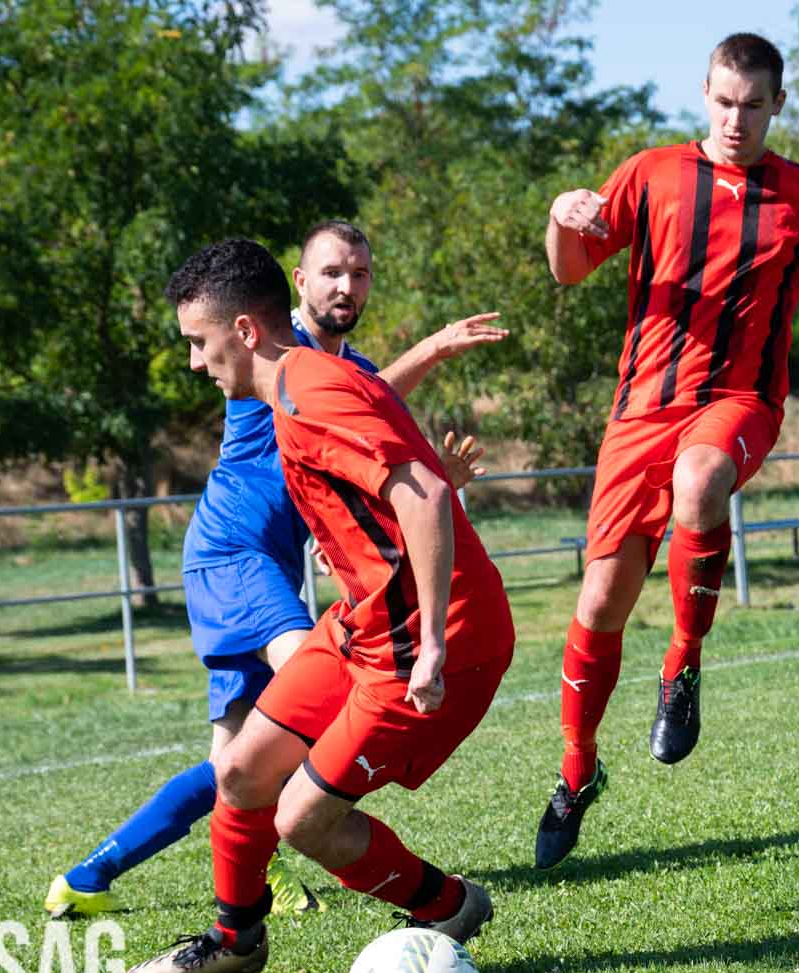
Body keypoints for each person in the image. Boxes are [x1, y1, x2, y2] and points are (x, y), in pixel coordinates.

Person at [535, 32, 799, 870]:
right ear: (703, 96)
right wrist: (561, 218)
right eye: (721, 102)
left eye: (751, 105)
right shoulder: (651, 174)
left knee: (702, 477)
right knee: (599, 601)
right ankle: (575, 771)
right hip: (639, 411)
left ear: (777, 104)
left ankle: (682, 666)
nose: (734, 119)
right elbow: (569, 270)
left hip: (739, 401)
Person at [44, 221, 506, 919]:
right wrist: (435, 349)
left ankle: (94, 875)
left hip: (268, 561)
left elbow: (370, 432)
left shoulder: (332, 367)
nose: (346, 287)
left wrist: (381, 510)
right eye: (331, 273)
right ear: (296, 284)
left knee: (236, 761)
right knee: (309, 721)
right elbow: (363, 410)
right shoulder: (266, 355)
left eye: (359, 274)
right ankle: (287, 849)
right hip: (236, 554)